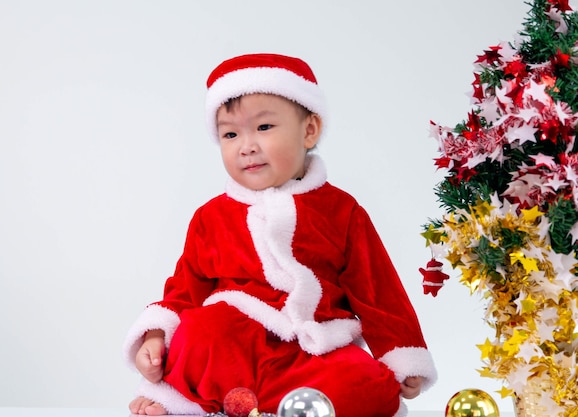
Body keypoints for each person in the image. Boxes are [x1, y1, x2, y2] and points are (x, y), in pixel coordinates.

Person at [124, 53, 437, 417]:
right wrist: (156, 336)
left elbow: (377, 289)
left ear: (309, 130)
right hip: (234, 345)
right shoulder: (211, 216)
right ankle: (180, 395)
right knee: (197, 333)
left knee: (367, 385)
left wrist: (402, 355)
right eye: (230, 134)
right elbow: (184, 288)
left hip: (313, 348)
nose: (246, 146)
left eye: (264, 128)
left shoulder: (341, 210)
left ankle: (245, 404)